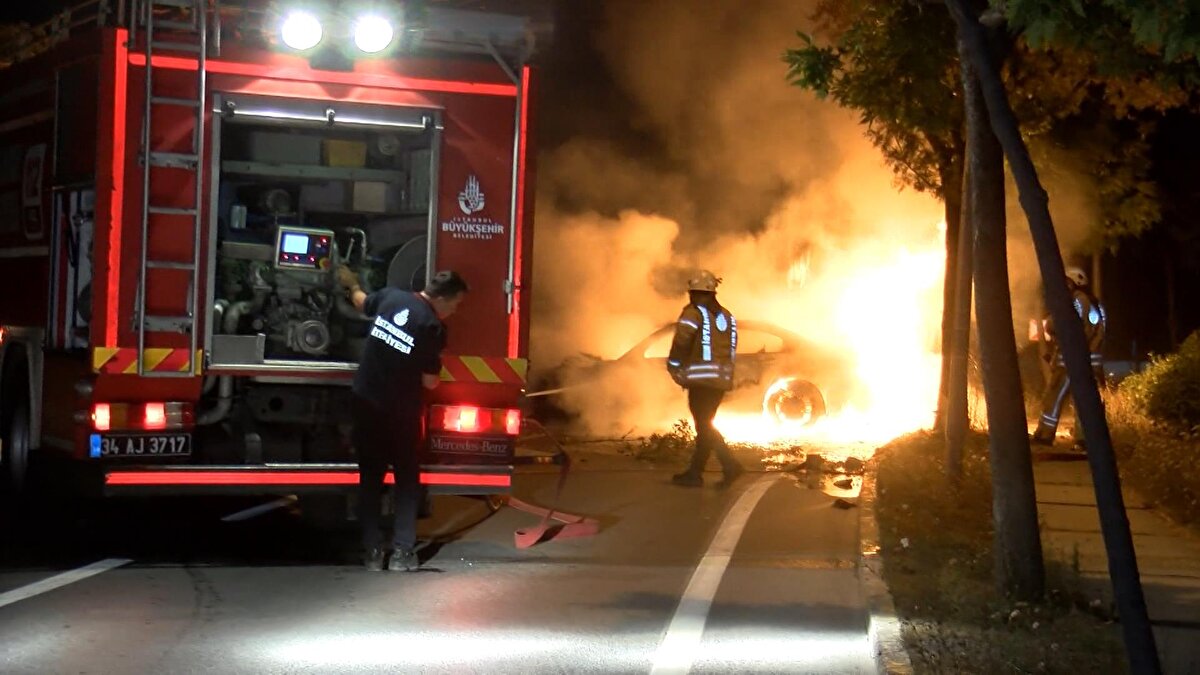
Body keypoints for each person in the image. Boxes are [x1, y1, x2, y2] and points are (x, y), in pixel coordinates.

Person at [338, 266, 468, 571]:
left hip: (366, 401)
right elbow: (429, 382)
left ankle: (372, 553)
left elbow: (359, 301)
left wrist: (351, 281)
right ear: (443, 299)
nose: (455, 310)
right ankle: (401, 553)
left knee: (370, 478)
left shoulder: (390, 298)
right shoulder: (432, 326)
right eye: (456, 304)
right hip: (401, 413)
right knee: (407, 481)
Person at [666, 270, 745, 488]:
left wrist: (673, 365)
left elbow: (681, 341)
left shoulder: (693, 314)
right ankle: (696, 473)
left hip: (701, 381)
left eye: (692, 293)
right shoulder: (727, 316)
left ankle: (730, 465)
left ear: (694, 292)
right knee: (705, 424)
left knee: (704, 425)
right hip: (720, 380)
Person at [1031, 265, 1106, 448]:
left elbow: (1076, 328)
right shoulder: (1092, 302)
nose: (1064, 285)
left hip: (1072, 361)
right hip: (1084, 360)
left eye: (1067, 282)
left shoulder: (1079, 301)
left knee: (1055, 397)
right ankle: (1084, 439)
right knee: (1083, 400)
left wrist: (1054, 327)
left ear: (1075, 283)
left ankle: (1046, 435)